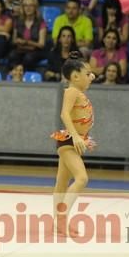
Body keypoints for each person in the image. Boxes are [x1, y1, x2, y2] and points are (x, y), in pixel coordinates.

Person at [51, 53, 96, 237]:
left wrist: (83, 138)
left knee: (61, 183)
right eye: (87, 74)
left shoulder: (79, 91)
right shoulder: (72, 91)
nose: (91, 77)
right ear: (75, 77)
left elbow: (87, 75)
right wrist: (76, 136)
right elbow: (64, 114)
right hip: (69, 141)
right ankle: (62, 217)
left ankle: (58, 222)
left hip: (72, 140)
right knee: (81, 178)